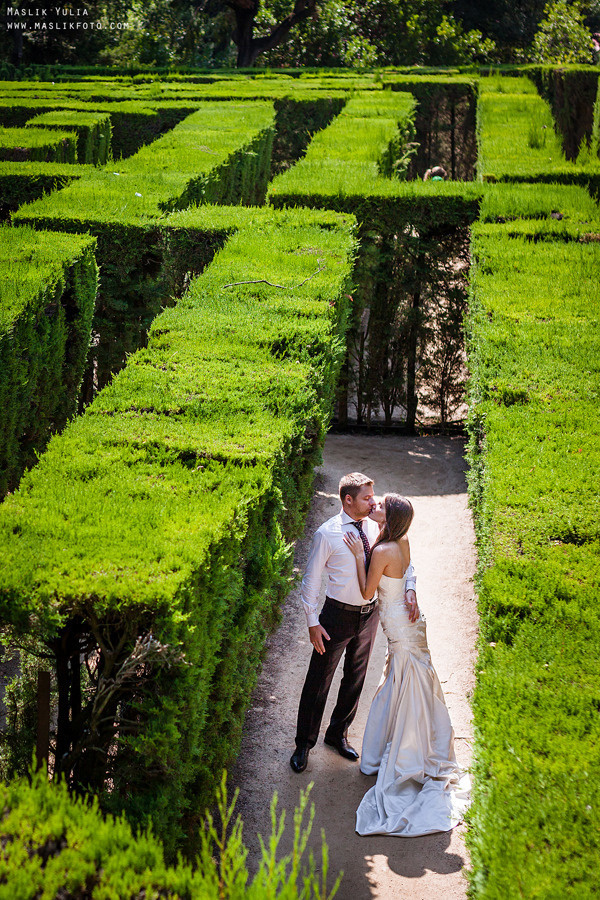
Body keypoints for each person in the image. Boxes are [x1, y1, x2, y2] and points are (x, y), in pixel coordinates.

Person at [344, 494, 470, 836]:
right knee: (406, 679)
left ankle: (408, 752)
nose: (376, 506)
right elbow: (409, 568)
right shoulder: (401, 539)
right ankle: (415, 743)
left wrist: (359, 557)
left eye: (381, 505)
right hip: (412, 621)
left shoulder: (384, 549)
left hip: (400, 625)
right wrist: (410, 589)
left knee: (405, 681)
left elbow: (368, 592)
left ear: (390, 517)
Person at [290, 473, 418, 774]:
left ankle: (338, 734)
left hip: (371, 613)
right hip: (336, 615)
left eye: (373, 497)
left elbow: (405, 559)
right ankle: (303, 744)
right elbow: (311, 581)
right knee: (319, 680)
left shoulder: (379, 525)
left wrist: (410, 587)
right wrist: (312, 622)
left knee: (355, 679)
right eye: (366, 498)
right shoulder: (327, 533)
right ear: (348, 500)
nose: (373, 502)